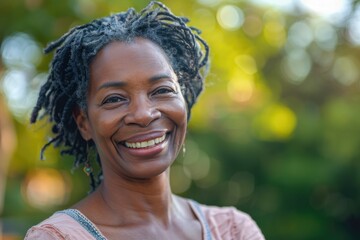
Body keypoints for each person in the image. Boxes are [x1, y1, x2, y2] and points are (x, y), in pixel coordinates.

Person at [25, 1, 265, 239]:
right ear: (83, 122)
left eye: (162, 90)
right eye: (114, 99)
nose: (143, 114)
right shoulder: (59, 237)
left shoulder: (234, 230)